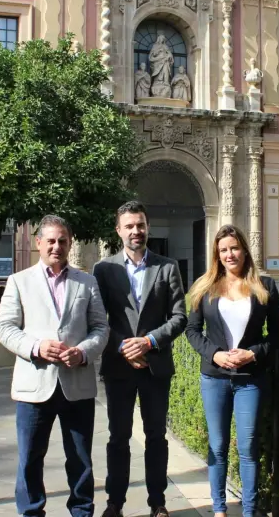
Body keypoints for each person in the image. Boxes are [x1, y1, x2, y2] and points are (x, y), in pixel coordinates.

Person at [0, 214, 109, 517]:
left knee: (81, 459)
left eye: (62, 241)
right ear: (38, 243)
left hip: (77, 384)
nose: (56, 246)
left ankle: (82, 511)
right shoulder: (19, 281)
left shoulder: (87, 281)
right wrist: (36, 347)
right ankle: (31, 512)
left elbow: (101, 327)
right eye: (51, 241)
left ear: (70, 243)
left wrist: (83, 352)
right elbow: (4, 327)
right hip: (34, 386)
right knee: (30, 458)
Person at [92, 201, 187, 517]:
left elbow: (179, 317)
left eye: (141, 225)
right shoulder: (104, 269)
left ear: (148, 227)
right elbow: (98, 319)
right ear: (118, 231)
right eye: (130, 226)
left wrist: (148, 342)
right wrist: (123, 347)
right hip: (119, 367)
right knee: (118, 437)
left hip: (154, 366)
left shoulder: (167, 267)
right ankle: (115, 503)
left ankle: (157, 502)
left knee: (156, 436)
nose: (136, 231)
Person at [184, 224, 279, 517]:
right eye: (224, 250)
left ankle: (249, 511)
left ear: (244, 250)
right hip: (214, 378)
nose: (230, 254)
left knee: (248, 447)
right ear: (217, 254)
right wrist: (214, 354)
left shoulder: (265, 286)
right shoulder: (205, 286)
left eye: (235, 248)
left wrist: (252, 353)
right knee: (217, 445)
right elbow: (192, 330)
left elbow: (277, 336)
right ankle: (219, 509)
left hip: (250, 379)